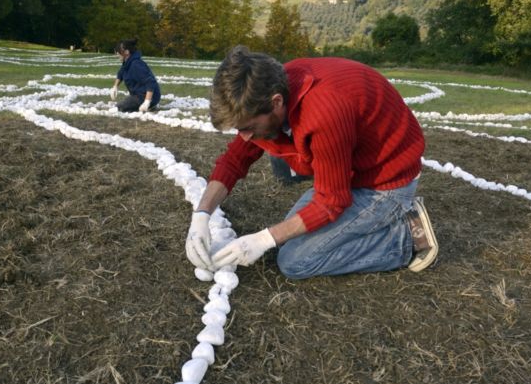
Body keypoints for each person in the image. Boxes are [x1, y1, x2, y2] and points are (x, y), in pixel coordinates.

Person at [185, 46, 438, 280]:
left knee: (296, 260)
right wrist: (202, 214)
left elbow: (331, 201)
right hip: (351, 173)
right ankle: (382, 224)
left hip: (386, 182)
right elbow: (234, 160)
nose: (245, 137)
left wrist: (263, 239)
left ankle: (407, 237)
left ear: (276, 102)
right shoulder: (267, 91)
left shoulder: (323, 112)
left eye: (249, 128)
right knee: (289, 237)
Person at [110, 38, 161, 113]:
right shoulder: (127, 62)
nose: (117, 54)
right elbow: (121, 73)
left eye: (119, 52)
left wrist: (147, 102)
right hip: (138, 94)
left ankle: (150, 105)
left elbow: (150, 82)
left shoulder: (136, 64)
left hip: (146, 96)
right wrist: (115, 86)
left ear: (127, 52)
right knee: (126, 103)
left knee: (119, 107)